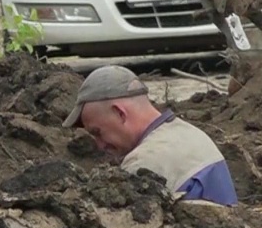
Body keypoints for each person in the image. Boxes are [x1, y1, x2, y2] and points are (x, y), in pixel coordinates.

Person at [63, 65, 239, 206]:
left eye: (97, 132)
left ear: (120, 113)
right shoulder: (190, 134)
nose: (100, 145)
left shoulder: (144, 163)